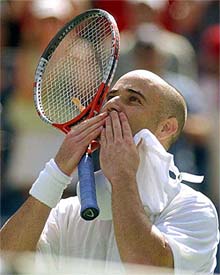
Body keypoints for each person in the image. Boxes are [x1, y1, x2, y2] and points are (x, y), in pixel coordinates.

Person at [0, 70, 219, 274]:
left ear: (166, 128)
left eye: (134, 99)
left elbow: (145, 267)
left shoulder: (195, 209)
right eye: (111, 96)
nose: (112, 104)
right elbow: (6, 260)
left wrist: (122, 177)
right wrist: (56, 171)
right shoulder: (67, 211)